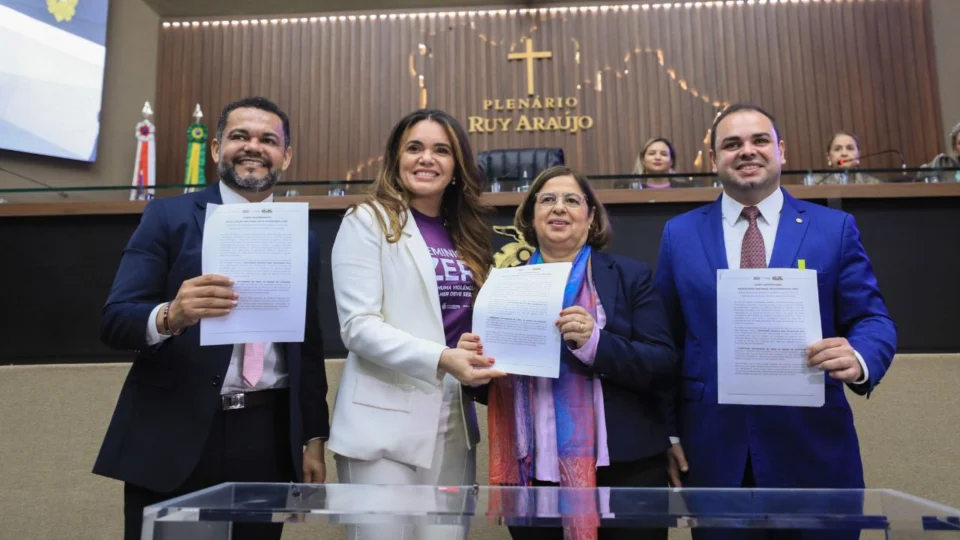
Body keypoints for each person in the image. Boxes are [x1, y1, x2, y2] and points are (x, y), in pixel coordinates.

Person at [655, 104, 897, 539]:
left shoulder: (834, 228)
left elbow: (871, 318)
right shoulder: (680, 234)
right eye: (732, 144)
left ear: (781, 150)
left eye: (759, 140)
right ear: (714, 160)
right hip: (714, 455)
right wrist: (668, 433)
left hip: (814, 453)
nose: (747, 151)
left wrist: (859, 356)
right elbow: (665, 341)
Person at [94, 96, 329, 540]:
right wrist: (169, 315)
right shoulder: (168, 217)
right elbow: (114, 320)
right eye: (239, 136)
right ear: (217, 147)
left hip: (268, 435)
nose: (253, 147)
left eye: (268, 139)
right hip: (175, 433)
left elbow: (308, 346)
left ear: (287, 155)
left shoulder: (303, 238)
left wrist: (313, 437)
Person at [461, 165, 677, 540]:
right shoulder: (503, 286)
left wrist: (596, 343)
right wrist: (472, 367)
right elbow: (489, 387)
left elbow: (662, 363)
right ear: (530, 216)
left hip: (626, 474)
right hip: (534, 475)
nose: (559, 208)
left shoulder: (629, 276)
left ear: (591, 217)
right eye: (547, 200)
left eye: (572, 200)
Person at [328, 108, 505, 540]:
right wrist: (444, 357)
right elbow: (358, 326)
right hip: (382, 428)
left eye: (441, 150)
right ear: (396, 158)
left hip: (451, 424)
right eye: (415, 148)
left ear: (456, 166)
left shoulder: (467, 235)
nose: (427, 159)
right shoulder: (366, 221)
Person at [812, 131, 881, 185]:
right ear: (829, 157)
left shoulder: (874, 184)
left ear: (858, 155)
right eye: (837, 149)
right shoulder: (814, 183)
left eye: (850, 148)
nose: (844, 153)